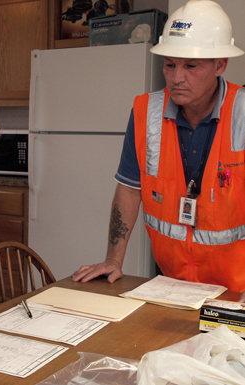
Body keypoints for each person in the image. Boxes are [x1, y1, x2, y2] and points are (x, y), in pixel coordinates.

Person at [72, 0, 245, 299]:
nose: (177, 77)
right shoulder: (146, 112)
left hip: (237, 293)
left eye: (191, 66)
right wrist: (114, 259)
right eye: (169, 64)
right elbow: (129, 188)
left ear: (220, 64)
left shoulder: (242, 112)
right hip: (171, 288)